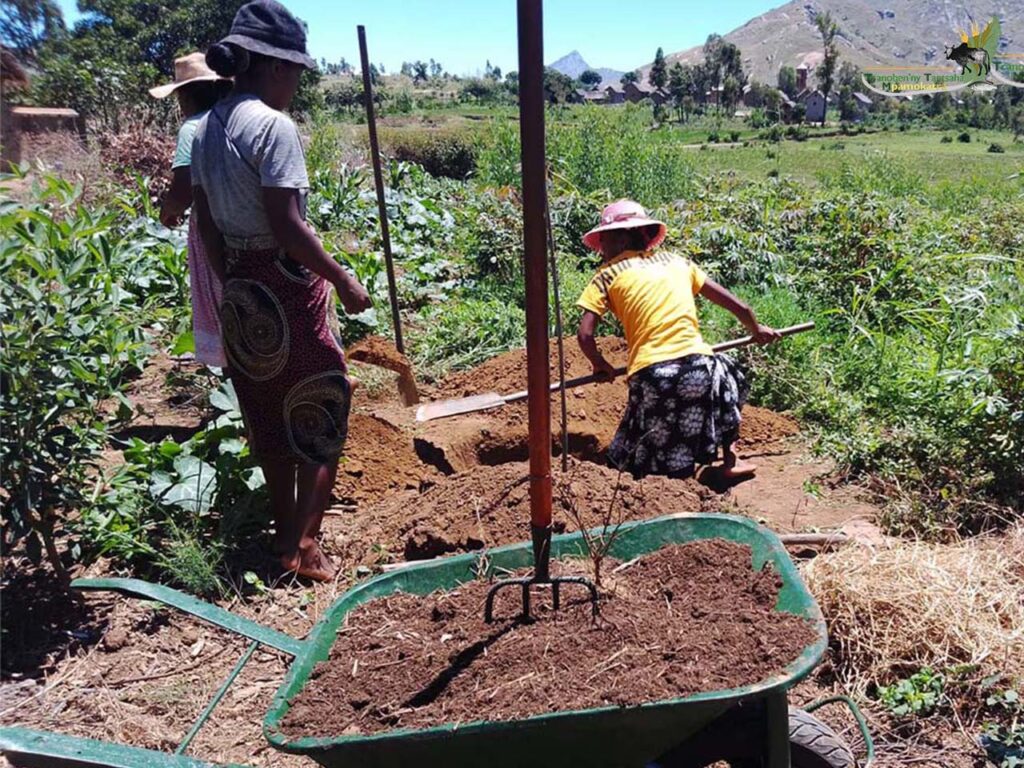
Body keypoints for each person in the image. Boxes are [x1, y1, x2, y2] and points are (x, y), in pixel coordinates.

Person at [191, 0, 370, 581]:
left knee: (266, 412)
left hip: (240, 286)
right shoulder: (273, 126)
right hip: (286, 284)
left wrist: (232, 284)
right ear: (272, 67)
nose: (295, 83)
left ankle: (285, 535)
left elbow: (209, 225)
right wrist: (341, 278)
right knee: (326, 399)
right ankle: (308, 546)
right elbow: (289, 225)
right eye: (294, 71)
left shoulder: (207, 127)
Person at [575, 199, 780, 481]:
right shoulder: (676, 261)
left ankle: (678, 485)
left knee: (648, 435)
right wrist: (757, 330)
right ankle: (729, 459)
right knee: (731, 375)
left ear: (620, 238)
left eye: (605, 242)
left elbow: (585, 335)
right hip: (700, 369)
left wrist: (600, 365)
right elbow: (741, 308)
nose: (602, 250)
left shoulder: (605, 276)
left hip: (653, 375)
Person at [151, 53, 233, 367]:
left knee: (222, 297)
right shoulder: (234, 117)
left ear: (186, 95)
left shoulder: (192, 128)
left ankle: (232, 366)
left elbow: (185, 183)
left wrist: (168, 211)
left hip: (213, 227)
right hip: (245, 217)